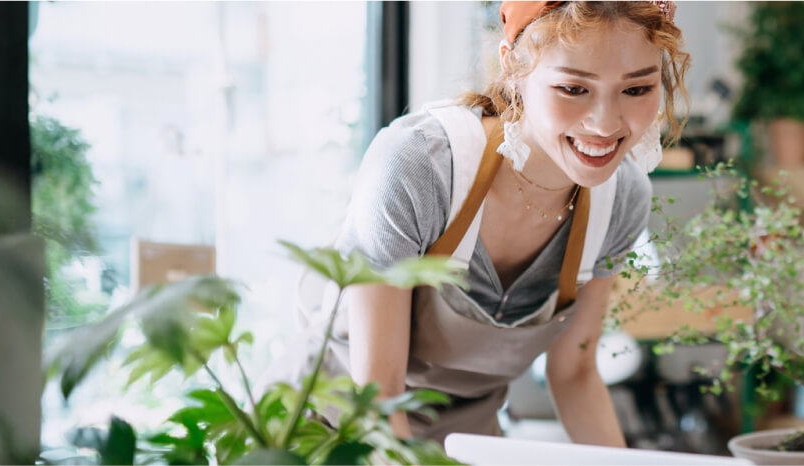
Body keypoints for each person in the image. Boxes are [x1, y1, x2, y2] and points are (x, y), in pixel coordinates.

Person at [293, 1, 688, 445]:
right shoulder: (420, 166)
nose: (605, 123)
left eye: (636, 90)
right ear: (513, 67)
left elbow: (574, 374)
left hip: (465, 445)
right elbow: (378, 399)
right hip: (331, 434)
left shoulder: (621, 198)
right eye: (573, 89)